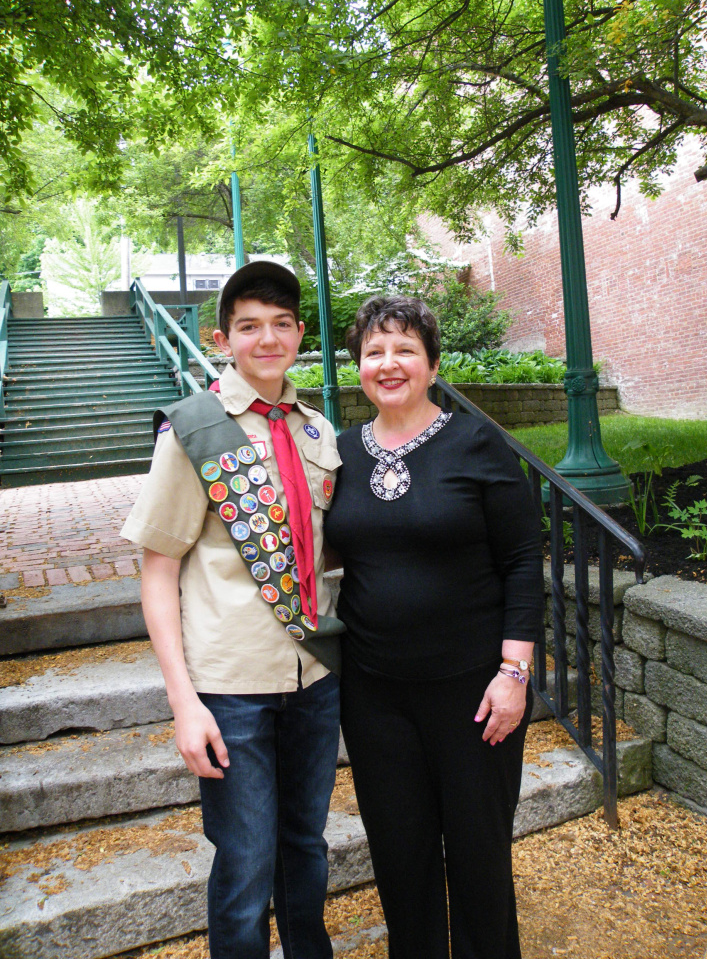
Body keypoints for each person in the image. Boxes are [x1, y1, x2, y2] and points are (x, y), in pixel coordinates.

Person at [121, 260, 342, 959]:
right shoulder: (195, 431)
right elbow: (158, 575)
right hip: (230, 688)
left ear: (300, 333)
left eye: (281, 324)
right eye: (250, 325)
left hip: (315, 676)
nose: (267, 338)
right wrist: (184, 703)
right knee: (245, 861)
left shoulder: (319, 432)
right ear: (223, 339)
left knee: (306, 844)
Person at [324, 295, 544, 959]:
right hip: (374, 695)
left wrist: (514, 675)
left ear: (433, 364)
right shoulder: (339, 455)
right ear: (358, 366)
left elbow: (523, 561)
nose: (388, 364)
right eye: (373, 352)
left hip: (474, 693)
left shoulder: (477, 443)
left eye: (404, 350)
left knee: (478, 858)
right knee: (400, 855)